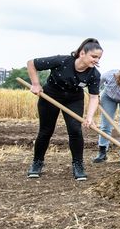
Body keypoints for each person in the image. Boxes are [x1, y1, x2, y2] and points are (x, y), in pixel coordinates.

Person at [26, 38, 103, 181]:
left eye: (99, 58)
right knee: (45, 131)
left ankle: (78, 165)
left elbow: (93, 97)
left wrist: (90, 117)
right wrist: (35, 84)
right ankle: (37, 163)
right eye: (94, 56)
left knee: (75, 131)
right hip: (51, 96)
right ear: (82, 53)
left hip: (74, 99)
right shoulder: (62, 61)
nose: (96, 60)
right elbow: (31, 63)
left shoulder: (94, 74)